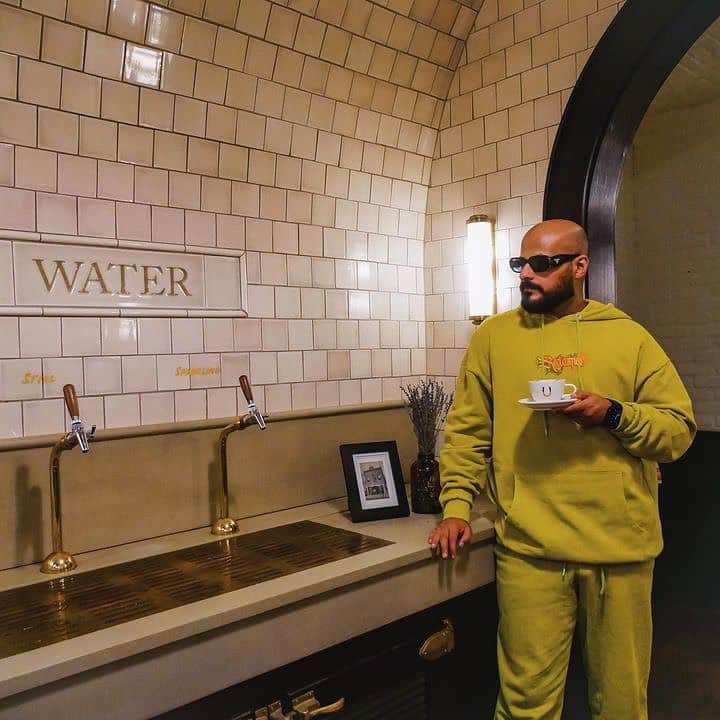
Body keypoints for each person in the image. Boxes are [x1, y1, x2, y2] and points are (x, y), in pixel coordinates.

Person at [429, 219, 696, 720]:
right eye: (521, 263)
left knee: (621, 703)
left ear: (579, 266)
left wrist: (614, 414)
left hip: (619, 546)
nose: (526, 274)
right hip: (530, 548)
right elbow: (467, 433)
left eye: (543, 264)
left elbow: (678, 430)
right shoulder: (494, 338)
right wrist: (456, 508)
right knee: (525, 704)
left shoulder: (629, 337)